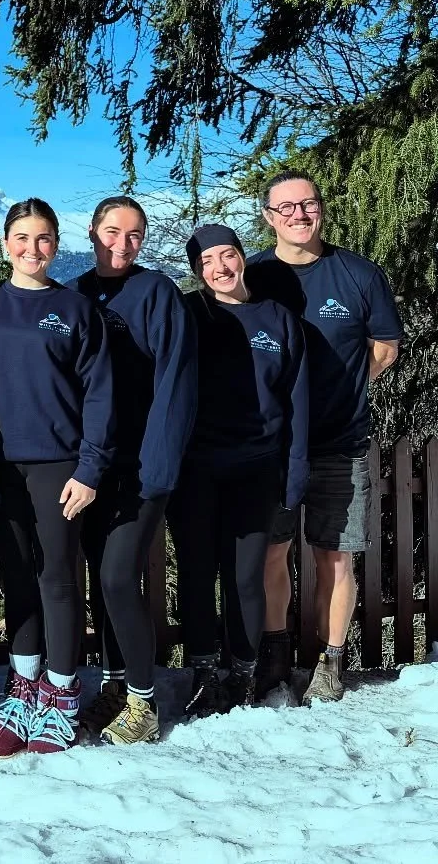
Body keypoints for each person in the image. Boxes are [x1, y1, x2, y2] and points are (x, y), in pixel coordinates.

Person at [0, 198, 115, 759]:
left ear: (56, 244)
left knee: (57, 579)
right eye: (22, 239)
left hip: (59, 464)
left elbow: (100, 392)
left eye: (44, 239)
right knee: (19, 577)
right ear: (6, 244)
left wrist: (89, 466)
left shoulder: (74, 310)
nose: (33, 249)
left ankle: (62, 691)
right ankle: (23, 689)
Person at [246, 171, 401, 703]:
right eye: (285, 207)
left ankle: (332, 662)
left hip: (341, 441)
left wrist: (344, 390)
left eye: (307, 204)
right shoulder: (254, 275)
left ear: (321, 209)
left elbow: (384, 346)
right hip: (272, 447)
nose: (298, 215)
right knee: (271, 553)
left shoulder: (357, 273)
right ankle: (273, 656)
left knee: (334, 557)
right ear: (268, 216)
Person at [69, 197, 197, 745]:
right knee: (101, 575)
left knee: (120, 575)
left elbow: (177, 381)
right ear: (93, 232)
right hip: (93, 464)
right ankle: (116, 683)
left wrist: (160, 465)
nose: (122, 244)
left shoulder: (157, 293)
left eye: (135, 235)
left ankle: (144, 701)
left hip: (144, 464)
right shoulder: (74, 295)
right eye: (112, 232)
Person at [171, 225, 309, 717]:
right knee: (196, 571)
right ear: (198, 272)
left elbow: (297, 404)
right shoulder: (189, 314)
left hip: (257, 467)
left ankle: (244, 673)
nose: (220, 267)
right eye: (207, 262)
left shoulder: (279, 319)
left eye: (227, 255)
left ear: (242, 258)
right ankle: (204, 673)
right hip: (195, 469)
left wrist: (293, 479)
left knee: (245, 576)